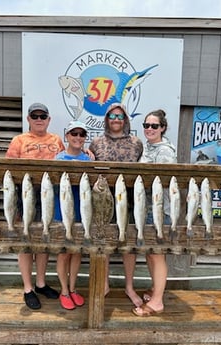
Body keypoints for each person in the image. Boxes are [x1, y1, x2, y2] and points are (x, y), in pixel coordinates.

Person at [5, 102, 65, 310]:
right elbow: (9, 170)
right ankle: (28, 288)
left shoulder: (57, 140)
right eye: (35, 116)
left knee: (43, 240)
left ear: (49, 119)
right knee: (26, 241)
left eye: (43, 116)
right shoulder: (18, 140)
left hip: (51, 194)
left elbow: (67, 163)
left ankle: (40, 283)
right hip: (25, 193)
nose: (39, 119)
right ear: (28, 119)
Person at [89, 102, 143, 307]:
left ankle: (129, 287)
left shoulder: (137, 142)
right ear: (106, 119)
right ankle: (103, 283)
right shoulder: (96, 142)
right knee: (103, 240)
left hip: (130, 198)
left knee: (128, 244)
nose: (116, 120)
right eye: (112, 116)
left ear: (126, 120)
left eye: (120, 116)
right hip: (103, 198)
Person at [132, 109, 177, 317]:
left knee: (158, 255)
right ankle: (155, 290)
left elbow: (164, 183)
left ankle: (158, 301)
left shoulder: (164, 151)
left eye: (154, 126)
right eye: (146, 125)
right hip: (147, 208)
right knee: (151, 253)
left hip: (159, 210)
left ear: (163, 128)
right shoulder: (149, 148)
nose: (149, 129)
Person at [54, 120, 91, 310]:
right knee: (63, 253)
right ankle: (64, 290)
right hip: (62, 211)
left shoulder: (89, 160)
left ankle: (73, 287)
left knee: (77, 252)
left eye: (81, 134)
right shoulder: (58, 159)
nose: (78, 137)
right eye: (74, 134)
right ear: (67, 136)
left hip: (83, 212)